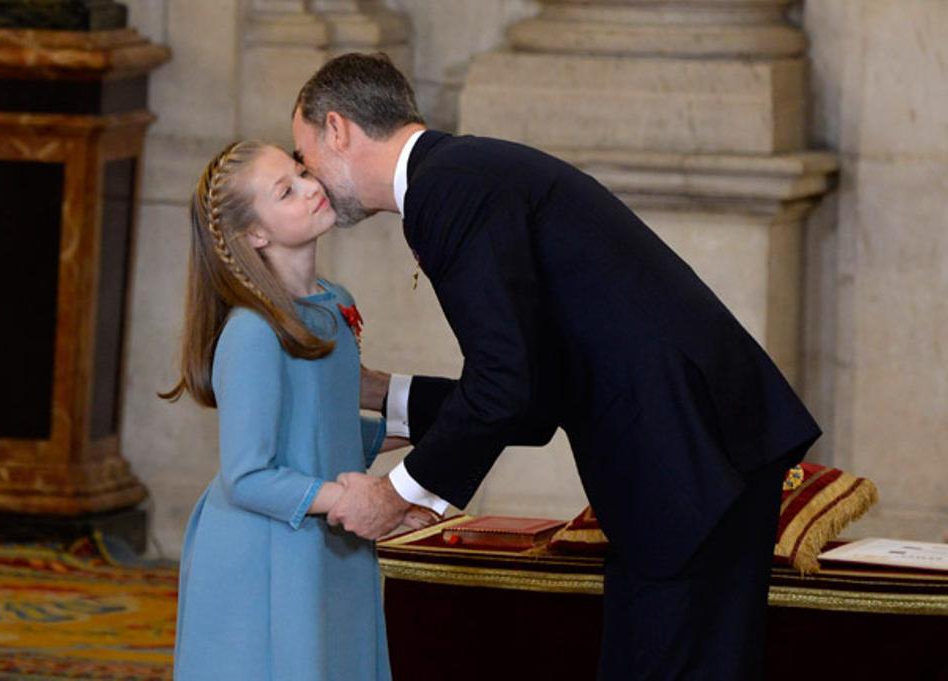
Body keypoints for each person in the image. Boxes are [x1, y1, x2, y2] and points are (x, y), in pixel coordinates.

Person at [290, 53, 822, 680]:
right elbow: (533, 394)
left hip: (684, 455)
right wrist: (381, 392)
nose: (310, 178)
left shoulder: (447, 187)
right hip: (692, 447)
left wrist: (395, 493)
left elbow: (507, 384)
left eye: (304, 157)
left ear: (337, 128)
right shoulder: (459, 172)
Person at [162, 140, 424, 680]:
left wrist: (405, 433)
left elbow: (314, 426)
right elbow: (248, 474)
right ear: (256, 235)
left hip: (328, 531)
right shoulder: (255, 332)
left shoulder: (332, 300)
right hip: (270, 547)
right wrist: (362, 499)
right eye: (287, 190)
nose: (311, 188)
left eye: (302, 171)